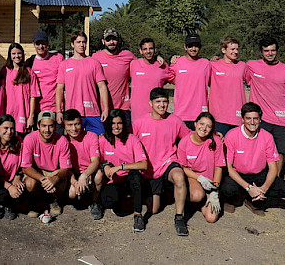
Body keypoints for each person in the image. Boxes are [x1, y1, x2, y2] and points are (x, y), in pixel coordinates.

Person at [132, 87, 191, 236]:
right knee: (154, 209)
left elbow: (190, 137)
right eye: (158, 101)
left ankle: (179, 218)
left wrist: (214, 134)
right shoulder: (139, 123)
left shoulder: (175, 120)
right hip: (148, 168)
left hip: (167, 163)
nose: (162, 105)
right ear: (150, 103)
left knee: (179, 176)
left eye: (165, 101)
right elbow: (129, 144)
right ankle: (163, 193)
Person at [220, 102, 285, 215]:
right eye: (248, 118)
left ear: (260, 120)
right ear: (243, 119)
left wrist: (263, 189)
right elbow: (229, 169)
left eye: (255, 118)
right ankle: (237, 199)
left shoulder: (267, 137)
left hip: (258, 175)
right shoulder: (232, 135)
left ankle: (253, 200)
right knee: (226, 188)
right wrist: (249, 188)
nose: (252, 122)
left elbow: (273, 168)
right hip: (237, 174)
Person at [246, 38, 285, 175]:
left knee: (279, 152)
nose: (270, 53)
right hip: (258, 120)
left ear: (277, 51)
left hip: (280, 119)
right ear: (261, 52)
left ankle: (274, 182)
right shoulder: (251, 66)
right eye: (266, 51)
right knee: (258, 152)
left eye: (272, 50)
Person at [95, 110, 147, 232]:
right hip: (113, 180)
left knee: (135, 177)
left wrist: (120, 167)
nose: (116, 127)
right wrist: (105, 166)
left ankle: (138, 215)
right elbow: (98, 160)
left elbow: (143, 164)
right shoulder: (103, 140)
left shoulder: (132, 139)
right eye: (113, 123)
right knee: (112, 203)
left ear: (124, 124)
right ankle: (124, 200)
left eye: (119, 123)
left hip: (129, 178)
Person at [56, 31, 109, 135]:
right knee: (73, 144)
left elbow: (102, 87)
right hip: (72, 113)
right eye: (78, 42)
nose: (81, 45)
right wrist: (58, 111)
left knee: (99, 140)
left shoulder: (94, 63)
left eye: (84, 42)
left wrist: (106, 109)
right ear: (72, 44)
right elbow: (59, 89)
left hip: (93, 112)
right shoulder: (64, 65)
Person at [21, 111, 71, 220]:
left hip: (53, 171)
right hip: (37, 171)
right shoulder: (30, 139)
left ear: (55, 126)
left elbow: (65, 168)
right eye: (44, 126)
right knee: (30, 183)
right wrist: (43, 179)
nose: (47, 130)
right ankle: (35, 201)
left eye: (50, 126)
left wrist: (54, 178)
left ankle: (54, 200)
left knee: (62, 178)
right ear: (38, 126)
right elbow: (25, 167)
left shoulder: (62, 140)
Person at [177, 112, 225, 223]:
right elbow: (182, 167)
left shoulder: (216, 141)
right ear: (195, 124)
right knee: (197, 195)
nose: (204, 128)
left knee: (211, 218)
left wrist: (214, 190)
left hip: (210, 182)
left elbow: (219, 168)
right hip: (194, 178)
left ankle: (203, 201)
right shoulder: (185, 141)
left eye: (208, 126)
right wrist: (199, 178)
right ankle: (189, 201)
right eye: (201, 124)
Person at [63, 109, 102, 219]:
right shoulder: (63, 140)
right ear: (64, 126)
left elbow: (95, 161)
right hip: (72, 172)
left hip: (88, 171)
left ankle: (95, 202)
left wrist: (84, 176)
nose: (74, 129)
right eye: (70, 125)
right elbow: (64, 166)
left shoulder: (91, 136)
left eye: (77, 124)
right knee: (72, 194)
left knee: (99, 175)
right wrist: (73, 181)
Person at [92, 29, 135, 123]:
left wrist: (157, 57)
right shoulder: (95, 57)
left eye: (114, 39)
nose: (111, 42)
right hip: (103, 109)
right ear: (103, 42)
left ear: (118, 40)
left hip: (123, 107)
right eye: (108, 40)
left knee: (124, 136)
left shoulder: (127, 55)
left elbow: (144, 64)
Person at [169, 33, 211, 129]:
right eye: (190, 46)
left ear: (200, 47)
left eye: (196, 46)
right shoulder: (177, 63)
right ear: (185, 47)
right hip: (181, 114)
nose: (193, 49)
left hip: (201, 114)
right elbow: (165, 75)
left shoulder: (207, 63)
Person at [25, 32, 64, 132]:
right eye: (38, 44)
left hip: (56, 109)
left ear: (47, 44)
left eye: (43, 43)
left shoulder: (58, 58)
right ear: (34, 45)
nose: (41, 46)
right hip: (38, 109)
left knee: (58, 139)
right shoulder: (30, 62)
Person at [209, 37, 247, 136]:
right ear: (223, 50)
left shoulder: (243, 66)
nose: (236, 52)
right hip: (218, 117)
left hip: (237, 116)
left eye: (237, 49)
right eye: (232, 49)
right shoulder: (212, 65)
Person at [0, 114, 24, 220]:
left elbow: (24, 164)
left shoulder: (19, 142)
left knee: (22, 191)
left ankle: (10, 206)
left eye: (12, 128)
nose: (9, 132)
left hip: (13, 179)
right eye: (6, 128)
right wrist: (8, 186)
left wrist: (17, 178)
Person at [129, 38, 173, 122]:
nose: (148, 51)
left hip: (157, 112)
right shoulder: (133, 64)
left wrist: (175, 60)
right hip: (138, 113)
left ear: (155, 50)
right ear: (140, 51)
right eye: (145, 49)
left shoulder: (162, 66)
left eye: (151, 48)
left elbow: (177, 79)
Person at [2, 43, 41, 135]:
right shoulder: (5, 71)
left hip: (23, 115)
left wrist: (31, 116)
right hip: (9, 113)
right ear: (10, 55)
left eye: (19, 53)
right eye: (14, 54)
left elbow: (33, 97)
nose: (16, 56)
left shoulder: (29, 72)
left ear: (23, 54)